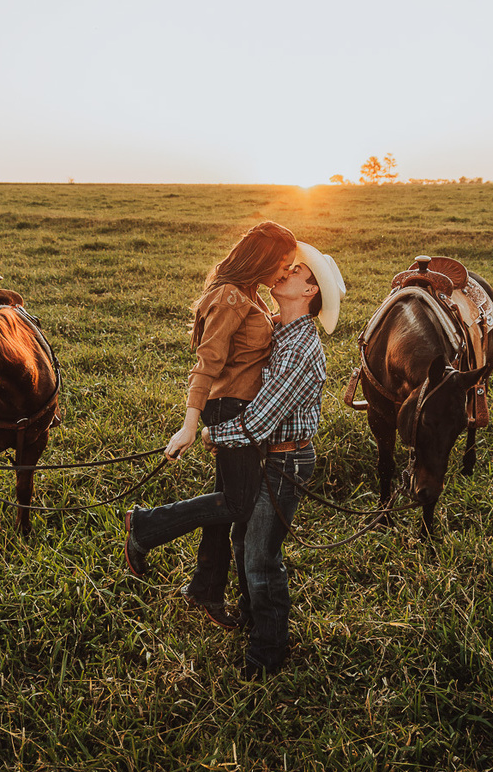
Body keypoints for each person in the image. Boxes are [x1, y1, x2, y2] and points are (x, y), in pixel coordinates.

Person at [129, 241, 346, 679]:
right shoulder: (278, 329)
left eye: (297, 272)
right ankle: (250, 617)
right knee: (244, 540)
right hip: (267, 456)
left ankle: (268, 653)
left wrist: (210, 433)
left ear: (309, 293)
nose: (284, 271)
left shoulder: (302, 349)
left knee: (262, 556)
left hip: (286, 462)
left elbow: (260, 421)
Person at [123, 221, 298, 629]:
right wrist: (189, 425)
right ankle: (146, 525)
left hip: (243, 408)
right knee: (238, 504)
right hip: (230, 408)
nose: (285, 272)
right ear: (263, 258)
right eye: (283, 264)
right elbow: (206, 366)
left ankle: (206, 588)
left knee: (226, 506)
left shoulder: (248, 295)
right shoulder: (229, 298)